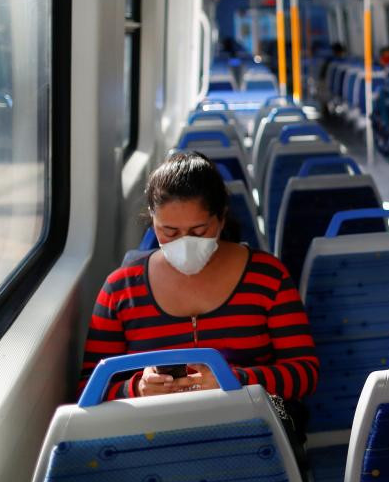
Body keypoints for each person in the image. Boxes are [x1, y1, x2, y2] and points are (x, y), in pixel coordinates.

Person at [78, 152, 319, 415]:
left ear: (221, 218)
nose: (184, 243)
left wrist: (235, 381)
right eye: (169, 232)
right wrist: (136, 389)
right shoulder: (121, 289)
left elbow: (305, 373)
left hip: (251, 425)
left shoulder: (268, 277)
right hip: (155, 432)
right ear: (153, 221)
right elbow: (89, 388)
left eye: (198, 231)